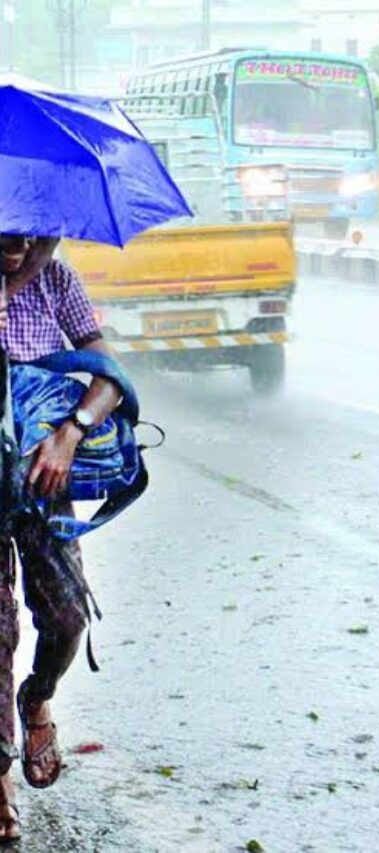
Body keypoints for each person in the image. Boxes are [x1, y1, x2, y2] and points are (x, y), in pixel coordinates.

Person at [0, 234, 121, 842]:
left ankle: (38, 696)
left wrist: (69, 433)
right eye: (3, 230)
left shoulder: (58, 281)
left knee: (68, 618)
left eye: (28, 230)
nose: (16, 243)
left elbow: (109, 376)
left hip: (45, 485)